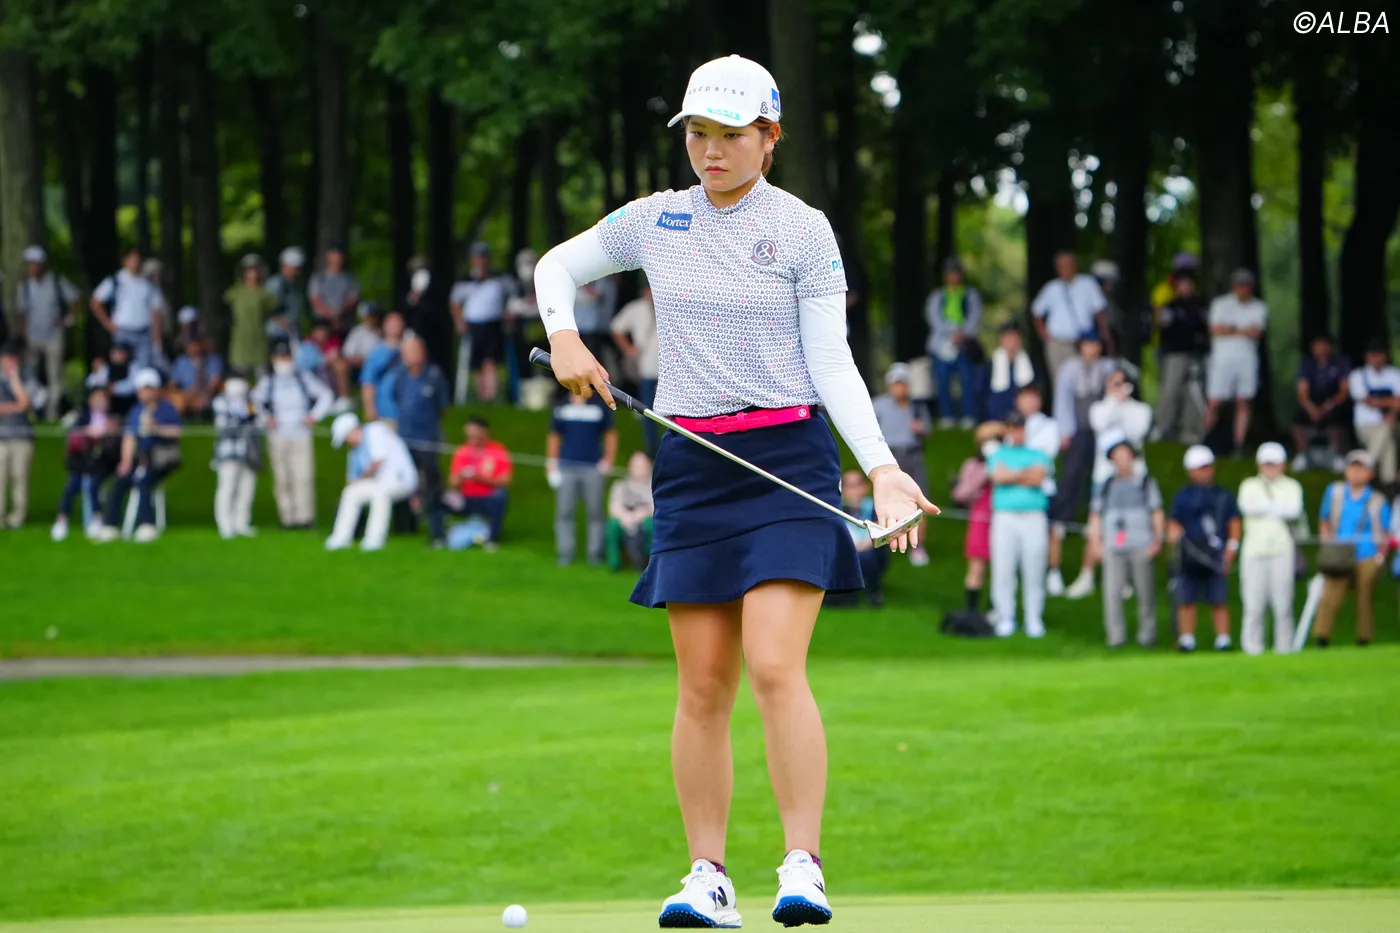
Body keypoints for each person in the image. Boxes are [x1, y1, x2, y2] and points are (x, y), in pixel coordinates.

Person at [533, 53, 934, 929]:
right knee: (703, 686)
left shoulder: (803, 230)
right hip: (691, 464)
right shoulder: (657, 219)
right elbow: (555, 268)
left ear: (769, 136)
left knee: (774, 664)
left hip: (786, 462)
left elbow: (832, 359)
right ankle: (708, 876)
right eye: (698, 135)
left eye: (730, 135)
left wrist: (883, 465)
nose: (710, 151)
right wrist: (564, 336)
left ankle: (802, 864)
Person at [1048, 334, 1116, 599]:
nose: (1092, 349)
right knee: (1071, 475)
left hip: (1100, 431)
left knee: (1095, 476)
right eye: (1088, 345)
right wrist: (1064, 430)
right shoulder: (1070, 369)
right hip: (1077, 429)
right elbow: (1063, 400)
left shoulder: (1107, 367)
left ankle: (1090, 517)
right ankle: (1063, 518)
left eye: (1095, 345)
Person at [1086, 440, 1164, 648]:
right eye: (1117, 457)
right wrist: (1096, 543)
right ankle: (1115, 636)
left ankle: (1147, 636)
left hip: (1141, 544)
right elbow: (1096, 516)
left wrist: (1157, 539)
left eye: (1125, 456)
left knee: (1145, 592)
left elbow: (1156, 511)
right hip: (1113, 546)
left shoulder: (1145, 483)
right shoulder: (1105, 486)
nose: (1122, 461)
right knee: (1112, 593)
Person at [251, 341, 334, 529]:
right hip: (277, 434)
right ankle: (287, 518)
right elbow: (254, 401)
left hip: (301, 433)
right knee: (282, 478)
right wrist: (266, 417)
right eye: (280, 357)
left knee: (303, 476)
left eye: (286, 357)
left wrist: (314, 416)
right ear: (274, 360)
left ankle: (305, 518)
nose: (284, 362)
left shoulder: (303, 378)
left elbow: (326, 395)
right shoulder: (269, 381)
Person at [95, 368, 182, 543]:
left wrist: (156, 428)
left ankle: (147, 525)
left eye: (148, 388)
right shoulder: (136, 410)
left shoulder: (166, 408)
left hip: (161, 460)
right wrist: (126, 461)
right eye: (142, 389)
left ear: (156, 389)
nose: (145, 392)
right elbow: (130, 437)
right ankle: (110, 526)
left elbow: (177, 431)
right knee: (118, 484)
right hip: (141, 458)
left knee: (144, 483)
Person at [1168, 445, 1241, 653]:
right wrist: (1173, 537)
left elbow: (1234, 522)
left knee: (1219, 599)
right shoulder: (1183, 496)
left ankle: (1223, 640)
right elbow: (1174, 521)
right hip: (1189, 554)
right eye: (1200, 468)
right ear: (1190, 470)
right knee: (1186, 599)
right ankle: (1187, 640)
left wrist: (1232, 547)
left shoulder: (1223, 495)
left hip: (1215, 554)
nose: (1205, 471)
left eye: (1207, 467)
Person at [1314, 450, 1391, 647]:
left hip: (1367, 554)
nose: (1355, 473)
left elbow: (1385, 532)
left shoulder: (1378, 500)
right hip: (1339, 552)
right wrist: (1327, 543)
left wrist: (1380, 556)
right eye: (1352, 468)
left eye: (1361, 469)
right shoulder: (1335, 492)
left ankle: (1364, 638)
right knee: (1331, 595)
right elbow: (1324, 519)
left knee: (1365, 597)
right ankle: (1322, 636)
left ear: (1369, 474)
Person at [986, 412, 1052, 638]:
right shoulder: (998, 454)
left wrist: (1012, 475)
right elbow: (998, 477)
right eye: (1013, 428)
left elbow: (1038, 478)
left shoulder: (1038, 454)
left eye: (1020, 428)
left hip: (1033, 516)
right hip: (1005, 516)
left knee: (1034, 568)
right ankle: (1005, 617)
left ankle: (1034, 618)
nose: (1017, 433)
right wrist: (1025, 474)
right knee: (1003, 568)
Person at [1237, 442, 1304, 655]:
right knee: (1253, 604)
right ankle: (1252, 648)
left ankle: (1284, 648)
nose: (1270, 468)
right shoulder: (1249, 485)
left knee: (1283, 604)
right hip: (1253, 551)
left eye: (1274, 464)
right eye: (1267, 464)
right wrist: (1276, 508)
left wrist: (1266, 508)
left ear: (1283, 465)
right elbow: (1247, 507)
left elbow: (1294, 510)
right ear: (1260, 465)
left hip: (1282, 550)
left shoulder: (1292, 486)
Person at [387, 334, 450, 546]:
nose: (410, 356)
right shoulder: (400, 376)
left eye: (414, 351)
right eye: (406, 352)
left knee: (432, 486)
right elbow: (397, 399)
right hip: (404, 440)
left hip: (428, 441)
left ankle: (437, 531)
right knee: (402, 482)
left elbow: (442, 408)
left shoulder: (434, 376)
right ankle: (405, 526)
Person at [546, 386, 618, 566]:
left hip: (593, 467)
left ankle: (595, 554)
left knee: (595, 512)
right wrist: (552, 464)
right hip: (566, 467)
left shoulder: (599, 406)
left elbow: (610, 434)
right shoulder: (561, 406)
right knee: (565, 511)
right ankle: (565, 553)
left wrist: (608, 460)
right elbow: (554, 436)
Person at [326, 412, 418, 551]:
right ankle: (340, 537)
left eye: (345, 438)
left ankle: (374, 539)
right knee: (350, 492)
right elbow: (351, 479)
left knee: (380, 493)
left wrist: (359, 481)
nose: (346, 443)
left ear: (352, 430)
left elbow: (377, 463)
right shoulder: (353, 451)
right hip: (377, 483)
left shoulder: (376, 431)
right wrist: (355, 484)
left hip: (401, 480)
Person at [872, 362, 932, 566]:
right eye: (896, 383)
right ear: (889, 385)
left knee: (919, 499)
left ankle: (918, 545)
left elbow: (927, 430)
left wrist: (920, 428)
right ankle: (890, 540)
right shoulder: (879, 405)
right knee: (889, 500)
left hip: (913, 455)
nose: (900, 387)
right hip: (890, 457)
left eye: (903, 383)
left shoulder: (917, 407)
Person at [1204, 268, 1268, 455]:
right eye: (1239, 285)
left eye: (1245, 285)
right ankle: (1207, 437)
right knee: (1214, 400)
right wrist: (1243, 330)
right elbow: (1216, 329)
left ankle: (1238, 443)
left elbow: (1257, 332)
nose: (1242, 288)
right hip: (1222, 360)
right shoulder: (1221, 304)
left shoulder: (1259, 307)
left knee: (1243, 400)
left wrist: (1231, 329)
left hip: (1246, 361)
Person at [14, 245, 80, 420]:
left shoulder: (56, 281)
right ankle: (30, 410)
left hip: (54, 336)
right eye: (30, 264)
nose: (32, 267)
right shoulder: (25, 286)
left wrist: (68, 320)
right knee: (29, 375)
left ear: (43, 264)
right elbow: (21, 313)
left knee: (54, 377)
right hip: (31, 338)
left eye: (35, 263)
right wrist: (21, 336)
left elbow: (76, 299)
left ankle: (52, 413)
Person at [1030, 250, 1111, 385]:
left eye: (1068, 265)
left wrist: (1104, 336)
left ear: (1075, 265)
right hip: (1058, 342)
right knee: (1061, 381)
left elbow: (1099, 312)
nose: (1065, 269)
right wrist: (1045, 335)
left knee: (1086, 381)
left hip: (1084, 342)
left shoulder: (1088, 284)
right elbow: (1036, 312)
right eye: (1061, 266)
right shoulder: (1051, 288)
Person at [51, 386, 120, 541]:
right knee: (72, 484)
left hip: (101, 463)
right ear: (90, 401)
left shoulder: (113, 421)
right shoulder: (82, 418)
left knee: (93, 484)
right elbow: (73, 442)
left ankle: (96, 518)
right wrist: (87, 433)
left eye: (102, 399)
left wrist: (106, 435)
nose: (99, 402)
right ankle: (62, 520)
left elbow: (114, 448)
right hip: (82, 462)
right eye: (96, 398)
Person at [450, 242, 516, 404]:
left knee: (491, 359)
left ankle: (490, 394)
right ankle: (481, 393)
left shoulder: (499, 278)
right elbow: (455, 303)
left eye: (483, 257)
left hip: (494, 323)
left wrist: (509, 313)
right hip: (473, 324)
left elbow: (512, 296)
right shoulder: (465, 280)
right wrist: (459, 322)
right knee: (476, 361)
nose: (481, 261)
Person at [924, 256, 983, 427]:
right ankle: (947, 415)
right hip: (941, 344)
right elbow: (933, 318)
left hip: (964, 345)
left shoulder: (970, 295)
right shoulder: (937, 296)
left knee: (967, 380)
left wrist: (962, 333)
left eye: (957, 273)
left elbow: (975, 316)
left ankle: (968, 414)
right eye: (951, 273)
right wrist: (950, 331)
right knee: (942, 381)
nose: (954, 277)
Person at [952, 422, 1004, 614]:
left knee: (1001, 567)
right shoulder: (972, 466)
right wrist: (983, 475)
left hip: (1002, 519)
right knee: (976, 567)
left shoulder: (1006, 464)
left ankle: (997, 609)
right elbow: (961, 494)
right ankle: (970, 611)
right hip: (981, 519)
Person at [1154, 268, 1210, 443]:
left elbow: (1203, 331)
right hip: (1174, 354)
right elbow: (1164, 329)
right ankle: (1162, 427)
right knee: (1170, 390)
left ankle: (1190, 431)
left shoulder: (1199, 306)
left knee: (1193, 393)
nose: (1185, 287)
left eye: (1188, 284)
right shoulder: (1170, 306)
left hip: (1195, 354)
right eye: (1182, 284)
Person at [611, 272, 661, 454]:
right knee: (648, 411)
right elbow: (616, 327)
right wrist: (629, 349)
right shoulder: (636, 309)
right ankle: (651, 448)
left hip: (670, 372)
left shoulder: (669, 306)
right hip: (647, 369)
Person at [91, 247, 166, 368]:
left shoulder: (148, 284)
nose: (135, 263)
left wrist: (157, 339)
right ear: (125, 261)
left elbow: (156, 311)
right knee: (121, 368)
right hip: (122, 332)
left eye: (138, 260)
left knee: (144, 369)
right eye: (132, 259)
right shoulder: (116, 280)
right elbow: (95, 302)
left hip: (143, 333)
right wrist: (108, 324)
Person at [446, 417, 512, 545]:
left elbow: (506, 480)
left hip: (488, 498)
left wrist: (480, 478)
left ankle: (493, 539)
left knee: (500, 496)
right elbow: (452, 482)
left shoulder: (498, 450)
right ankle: (439, 538)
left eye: (475, 433)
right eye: (469, 434)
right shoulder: (462, 451)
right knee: (439, 497)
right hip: (465, 499)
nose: (472, 437)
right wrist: (461, 476)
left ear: (485, 432)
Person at [1291, 333, 1349, 472]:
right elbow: (1302, 392)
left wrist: (1327, 407)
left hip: (1332, 404)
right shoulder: (1306, 364)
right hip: (1311, 405)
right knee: (1298, 417)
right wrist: (1311, 409)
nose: (1322, 349)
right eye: (1318, 346)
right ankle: (1303, 455)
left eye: (1325, 345)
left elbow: (1343, 392)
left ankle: (1337, 455)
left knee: (1337, 416)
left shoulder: (1340, 363)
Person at [211, 378, 260, 539]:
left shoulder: (250, 404)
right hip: (228, 452)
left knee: (247, 487)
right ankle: (225, 524)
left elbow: (256, 419)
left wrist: (249, 409)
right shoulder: (221, 403)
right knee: (227, 487)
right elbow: (225, 423)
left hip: (248, 452)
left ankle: (241, 522)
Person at [1347, 339, 1400, 488]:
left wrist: (1391, 412)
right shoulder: (1358, 375)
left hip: (1391, 424)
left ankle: (1366, 469)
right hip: (1366, 425)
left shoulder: (1394, 374)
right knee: (1386, 433)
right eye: (1373, 355)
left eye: (1379, 355)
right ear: (1367, 357)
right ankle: (1387, 479)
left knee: (1387, 432)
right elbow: (1367, 401)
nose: (1376, 358)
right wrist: (1391, 402)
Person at [832, 470, 889, 607]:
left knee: (866, 557)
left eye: (856, 485)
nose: (853, 490)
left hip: (869, 551)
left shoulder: (875, 507)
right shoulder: (837, 509)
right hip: (846, 551)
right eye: (848, 486)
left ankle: (874, 593)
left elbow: (879, 531)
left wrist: (857, 547)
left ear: (865, 487)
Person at [0, 343, 35, 529]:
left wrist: (15, 380)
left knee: (19, 477)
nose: (9, 363)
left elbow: (26, 403)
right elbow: (19, 405)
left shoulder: (27, 378)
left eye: (12, 359)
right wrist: (16, 407)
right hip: (1, 438)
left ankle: (17, 517)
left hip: (22, 438)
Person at [226, 255, 279, 376]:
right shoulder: (234, 293)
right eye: (249, 270)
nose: (252, 273)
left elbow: (274, 310)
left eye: (255, 269)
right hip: (240, 343)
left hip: (259, 342)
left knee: (263, 379)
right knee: (238, 380)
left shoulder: (265, 294)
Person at [607, 451, 656, 571]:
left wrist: (640, 515)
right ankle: (615, 563)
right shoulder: (620, 485)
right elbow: (613, 506)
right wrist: (625, 517)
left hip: (645, 517)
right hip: (624, 518)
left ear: (649, 467)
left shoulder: (654, 486)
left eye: (642, 466)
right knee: (612, 525)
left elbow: (655, 507)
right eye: (635, 466)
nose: (638, 469)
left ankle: (648, 560)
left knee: (650, 525)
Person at [360, 312, 406, 424]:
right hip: (385, 413)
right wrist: (370, 409)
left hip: (408, 414)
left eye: (398, 323)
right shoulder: (376, 353)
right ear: (384, 326)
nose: (395, 326)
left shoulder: (411, 349)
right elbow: (368, 383)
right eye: (392, 324)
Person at [168, 330, 225, 419]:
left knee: (217, 402)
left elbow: (214, 383)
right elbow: (172, 385)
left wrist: (204, 396)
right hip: (186, 397)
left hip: (207, 396)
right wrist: (184, 395)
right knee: (175, 400)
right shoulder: (180, 362)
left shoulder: (213, 360)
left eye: (196, 344)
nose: (193, 348)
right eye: (190, 345)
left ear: (202, 345)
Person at [985, 323, 1035, 423]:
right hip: (997, 414)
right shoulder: (991, 364)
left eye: (1015, 338)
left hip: (1022, 414)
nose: (1012, 342)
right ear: (1001, 340)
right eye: (1008, 338)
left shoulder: (1029, 363)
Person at [308, 246, 360, 333]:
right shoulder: (319, 278)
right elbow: (315, 299)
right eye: (334, 257)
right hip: (322, 322)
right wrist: (329, 314)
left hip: (343, 321)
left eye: (339, 258)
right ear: (328, 258)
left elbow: (353, 298)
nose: (337, 260)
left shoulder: (349, 279)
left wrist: (340, 311)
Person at [265, 247, 308, 341]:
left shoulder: (295, 285)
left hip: (291, 334)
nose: (298, 271)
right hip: (276, 334)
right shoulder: (275, 283)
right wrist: (281, 321)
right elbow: (268, 308)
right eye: (296, 268)